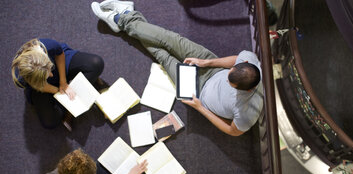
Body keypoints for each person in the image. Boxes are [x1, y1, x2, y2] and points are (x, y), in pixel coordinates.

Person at [91, 0, 263, 136]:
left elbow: (232, 131)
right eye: (230, 75)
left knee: (162, 55)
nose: (227, 79)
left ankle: (123, 16)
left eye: (230, 83)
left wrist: (200, 107)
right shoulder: (251, 61)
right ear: (246, 65)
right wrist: (207, 63)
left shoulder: (248, 112)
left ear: (246, 91)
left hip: (198, 92)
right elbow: (235, 59)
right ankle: (124, 17)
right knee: (168, 38)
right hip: (211, 66)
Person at [11, 38, 104, 131]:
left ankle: (69, 92)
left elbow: (59, 54)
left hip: (58, 64)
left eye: (50, 68)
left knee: (97, 63)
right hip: (42, 85)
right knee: (50, 122)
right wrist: (58, 91)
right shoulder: (20, 79)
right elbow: (39, 86)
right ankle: (71, 100)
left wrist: (63, 82)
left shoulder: (47, 45)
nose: (51, 75)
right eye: (48, 75)